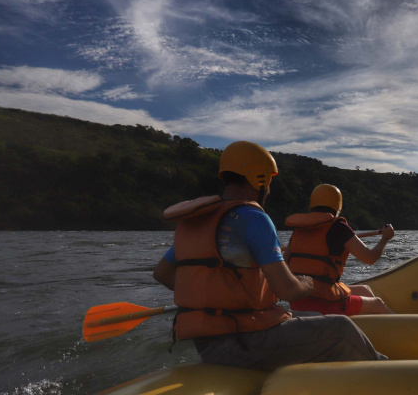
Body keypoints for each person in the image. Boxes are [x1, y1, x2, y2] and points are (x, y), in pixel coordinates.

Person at [152, 141, 386, 370]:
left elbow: (162, 274)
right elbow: (288, 290)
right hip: (244, 341)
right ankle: (383, 377)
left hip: (207, 343)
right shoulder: (254, 218)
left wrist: (213, 296)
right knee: (341, 328)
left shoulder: (201, 220)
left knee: (311, 315)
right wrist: (308, 283)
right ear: (259, 178)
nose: (270, 189)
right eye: (270, 181)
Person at [283, 183, 395, 316]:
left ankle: (364, 326)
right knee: (378, 304)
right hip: (324, 303)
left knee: (364, 290)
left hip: (298, 298)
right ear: (337, 206)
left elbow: (283, 263)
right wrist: (385, 239)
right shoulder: (339, 228)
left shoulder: (299, 230)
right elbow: (370, 258)